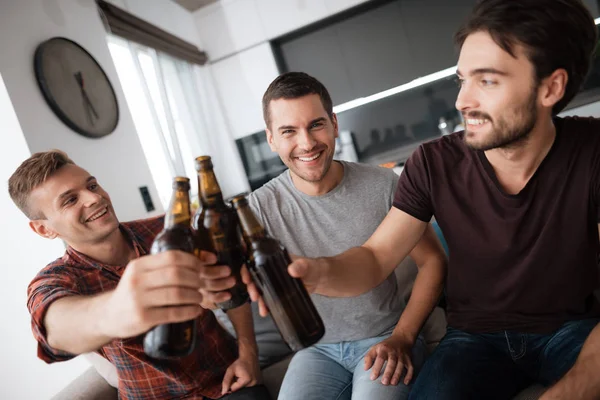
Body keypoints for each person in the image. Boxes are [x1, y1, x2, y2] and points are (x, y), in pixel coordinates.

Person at [237, 1, 600, 399]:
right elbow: (375, 259)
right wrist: (316, 273)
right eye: (462, 80)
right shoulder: (433, 163)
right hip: (474, 340)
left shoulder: (593, 151)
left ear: (551, 88)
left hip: (571, 328)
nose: (462, 101)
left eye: (488, 81)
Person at [227, 71, 446, 400]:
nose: (307, 143)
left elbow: (433, 262)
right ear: (271, 139)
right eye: (289, 131)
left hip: (384, 335)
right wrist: (247, 355)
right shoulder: (255, 211)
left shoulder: (383, 184)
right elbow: (234, 286)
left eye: (316, 124)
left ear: (334, 124)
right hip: (317, 351)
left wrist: (403, 336)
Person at [9, 151, 271, 400]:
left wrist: (248, 354)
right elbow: (56, 328)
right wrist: (116, 310)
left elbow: (231, 286)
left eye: (92, 186)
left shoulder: (169, 230)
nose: (94, 199)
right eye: (70, 200)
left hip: (228, 383)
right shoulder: (55, 280)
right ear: (44, 230)